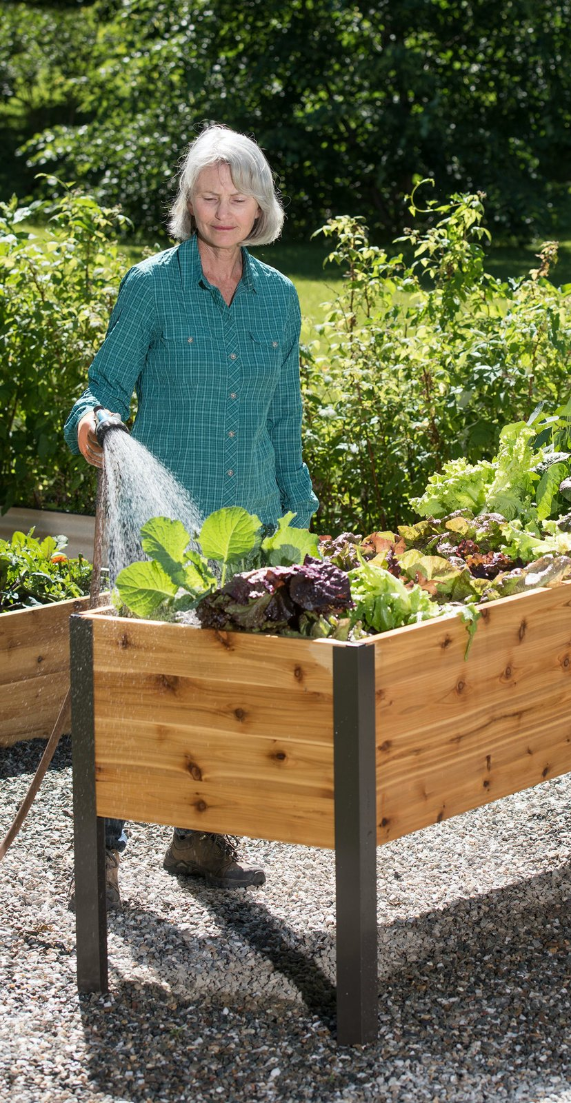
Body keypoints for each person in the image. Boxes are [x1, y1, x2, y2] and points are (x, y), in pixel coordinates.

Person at [65, 124, 318, 908]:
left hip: (246, 526)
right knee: (135, 686)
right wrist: (93, 426)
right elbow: (100, 386)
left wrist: (300, 513)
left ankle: (200, 837)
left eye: (237, 198)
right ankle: (101, 861)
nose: (221, 211)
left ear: (260, 205)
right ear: (189, 201)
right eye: (208, 196)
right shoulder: (152, 286)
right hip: (161, 535)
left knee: (224, 687)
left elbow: (286, 419)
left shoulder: (279, 297)